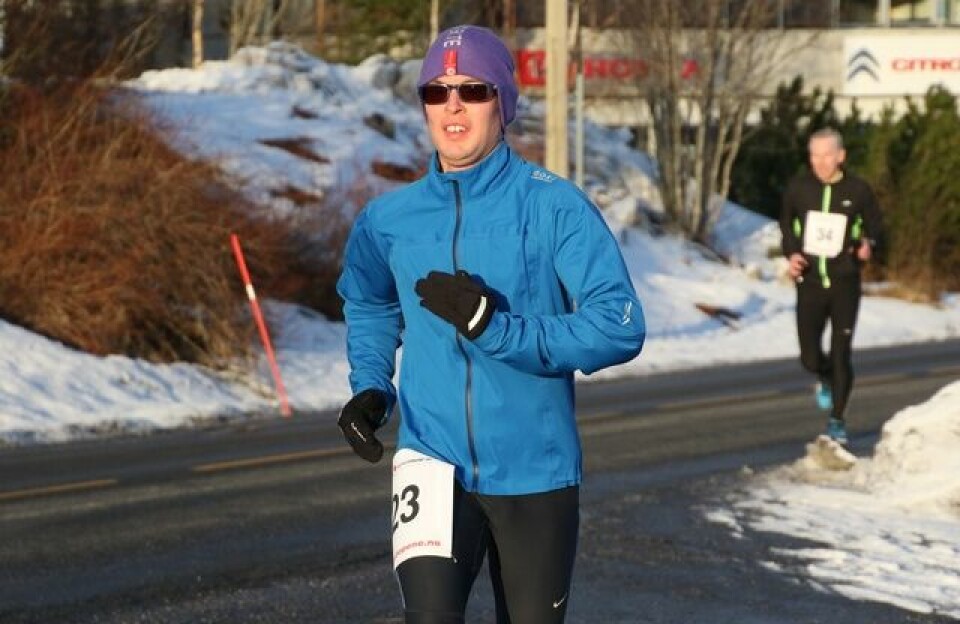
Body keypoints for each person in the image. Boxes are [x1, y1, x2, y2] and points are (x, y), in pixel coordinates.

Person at [335, 24, 645, 624]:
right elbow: (370, 303)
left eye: (473, 90)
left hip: (535, 468)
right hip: (431, 459)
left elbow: (618, 325)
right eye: (436, 91)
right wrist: (372, 384)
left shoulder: (553, 205)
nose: (453, 106)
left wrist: (500, 329)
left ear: (503, 103)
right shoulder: (387, 219)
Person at [780, 128, 883, 445]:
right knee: (809, 357)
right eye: (814, 155)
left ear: (840, 156)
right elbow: (787, 225)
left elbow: (875, 225)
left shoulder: (858, 190)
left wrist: (868, 245)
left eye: (827, 155)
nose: (820, 162)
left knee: (841, 354)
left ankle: (837, 419)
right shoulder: (799, 189)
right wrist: (792, 254)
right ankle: (823, 375)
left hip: (844, 283)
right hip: (809, 283)